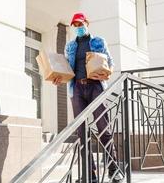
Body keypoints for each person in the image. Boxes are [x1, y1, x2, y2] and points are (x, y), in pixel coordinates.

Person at [53, 13, 123, 183]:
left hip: (95, 87)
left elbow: (110, 63)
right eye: (75, 25)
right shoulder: (69, 46)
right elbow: (68, 70)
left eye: (80, 23)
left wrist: (107, 73)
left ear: (86, 23)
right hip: (77, 88)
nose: (78, 26)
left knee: (103, 127)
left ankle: (114, 169)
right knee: (82, 132)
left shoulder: (98, 41)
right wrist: (58, 78)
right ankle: (89, 174)